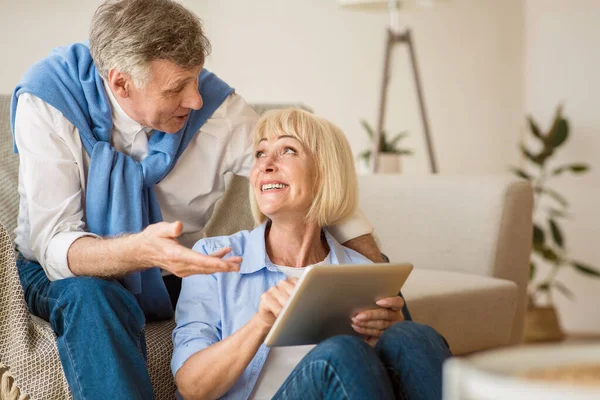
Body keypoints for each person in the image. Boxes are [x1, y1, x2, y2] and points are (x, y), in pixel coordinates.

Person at [10, 1, 382, 398]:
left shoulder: (218, 110)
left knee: (398, 324)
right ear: (121, 84)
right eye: (176, 89)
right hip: (63, 271)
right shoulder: (49, 100)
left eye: (196, 78)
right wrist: (142, 252)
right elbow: (53, 244)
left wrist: (377, 277)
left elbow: (311, 177)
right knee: (94, 295)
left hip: (176, 270)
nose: (195, 100)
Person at [172, 109, 452, 400]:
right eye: (259, 153)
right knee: (340, 352)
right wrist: (261, 322)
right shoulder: (214, 256)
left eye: (287, 150)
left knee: (413, 336)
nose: (265, 165)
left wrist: (385, 335)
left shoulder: (360, 271)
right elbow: (192, 388)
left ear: (324, 172)